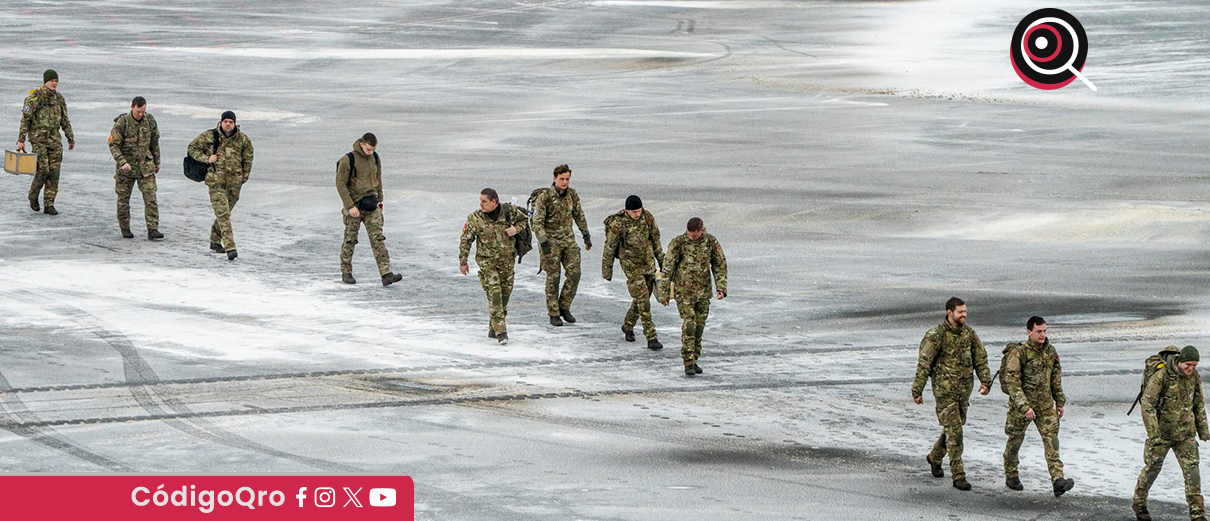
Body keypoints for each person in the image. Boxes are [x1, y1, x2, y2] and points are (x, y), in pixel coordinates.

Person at [911, 297, 992, 491]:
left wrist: (986, 381)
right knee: (955, 431)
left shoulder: (969, 334)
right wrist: (917, 390)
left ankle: (935, 457)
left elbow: (980, 359)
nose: (964, 315)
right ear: (950, 312)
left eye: (965, 311)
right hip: (944, 392)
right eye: (960, 312)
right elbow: (924, 364)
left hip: (964, 392)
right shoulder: (936, 335)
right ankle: (958, 475)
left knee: (952, 429)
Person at [1133, 345, 1209, 521]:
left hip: (1186, 434)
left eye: (1194, 365)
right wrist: (1154, 434)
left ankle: (1197, 514)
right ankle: (1139, 504)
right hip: (1162, 435)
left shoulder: (1194, 377)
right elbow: (1148, 406)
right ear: (1180, 361)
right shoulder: (1162, 376)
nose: (1191, 369)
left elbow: (1198, 403)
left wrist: (1203, 429)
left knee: (1193, 473)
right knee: (1151, 470)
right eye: (1188, 365)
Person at [1001, 316, 1074, 496]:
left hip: (1045, 406)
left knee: (1052, 441)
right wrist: (1024, 407)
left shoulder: (1050, 351)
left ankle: (1058, 480)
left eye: (1045, 331)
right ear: (1029, 332)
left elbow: (1055, 379)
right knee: (1015, 441)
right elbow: (1012, 383)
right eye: (1039, 331)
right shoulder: (1019, 353)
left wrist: (1060, 402)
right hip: (1021, 407)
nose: (1043, 335)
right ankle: (1011, 474)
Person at [659, 217, 727, 376]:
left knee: (699, 327)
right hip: (684, 293)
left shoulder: (711, 242)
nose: (692, 238)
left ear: (702, 230)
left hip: (703, 293)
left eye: (695, 235)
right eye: (690, 235)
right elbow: (667, 268)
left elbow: (719, 265)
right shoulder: (678, 243)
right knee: (689, 325)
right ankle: (688, 361)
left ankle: (695, 359)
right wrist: (664, 293)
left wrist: (721, 287)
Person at [460, 189, 528, 344]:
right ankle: (501, 331)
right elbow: (466, 240)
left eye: (484, 201)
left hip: (507, 261)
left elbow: (524, 220)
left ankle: (493, 325)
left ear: (494, 202)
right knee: (495, 292)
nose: (481, 204)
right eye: (480, 201)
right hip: (487, 261)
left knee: (505, 294)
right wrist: (463, 261)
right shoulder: (475, 218)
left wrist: (516, 229)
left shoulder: (509, 212)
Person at [336, 133, 402, 286]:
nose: (370, 152)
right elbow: (340, 184)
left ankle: (386, 274)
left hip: (371, 205)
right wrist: (350, 206)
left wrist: (380, 200)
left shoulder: (375, 158)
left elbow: (378, 179)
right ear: (361, 144)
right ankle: (346, 272)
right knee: (350, 239)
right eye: (368, 149)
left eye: (373, 149)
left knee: (378, 239)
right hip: (355, 206)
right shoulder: (348, 160)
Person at [187, 111, 253, 260]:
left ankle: (215, 240)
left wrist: (244, 177)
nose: (228, 124)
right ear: (221, 122)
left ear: (235, 124)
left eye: (231, 122)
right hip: (216, 183)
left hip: (234, 184)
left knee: (226, 213)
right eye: (225, 121)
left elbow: (248, 158)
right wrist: (206, 158)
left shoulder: (243, 140)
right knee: (223, 214)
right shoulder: (210, 136)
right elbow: (192, 148)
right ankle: (230, 247)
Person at [602, 195, 664, 350]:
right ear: (627, 211)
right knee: (643, 300)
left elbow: (656, 240)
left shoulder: (647, 217)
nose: (637, 214)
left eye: (639, 211)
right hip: (631, 265)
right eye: (634, 212)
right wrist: (607, 270)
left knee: (642, 298)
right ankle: (651, 337)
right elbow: (609, 247)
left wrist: (663, 263)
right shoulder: (618, 223)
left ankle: (628, 325)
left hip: (648, 263)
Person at [532, 164, 590, 326]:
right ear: (555, 178)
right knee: (554, 277)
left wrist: (586, 235)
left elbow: (579, 215)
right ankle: (553, 313)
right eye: (562, 179)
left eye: (567, 179)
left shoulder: (572, 195)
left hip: (568, 240)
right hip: (550, 242)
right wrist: (544, 243)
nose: (565, 182)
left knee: (575, 274)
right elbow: (537, 223)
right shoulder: (545, 197)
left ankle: (564, 306)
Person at [16, 69, 74, 215]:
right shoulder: (34, 98)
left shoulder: (59, 99)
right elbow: (25, 120)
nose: (54, 83)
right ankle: (33, 195)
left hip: (54, 140)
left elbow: (64, 120)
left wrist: (70, 137)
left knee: (54, 172)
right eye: (51, 80)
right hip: (38, 140)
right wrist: (21, 140)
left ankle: (49, 204)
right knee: (43, 170)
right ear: (45, 81)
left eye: (56, 81)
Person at [107, 96, 162, 240]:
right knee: (123, 200)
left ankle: (153, 229)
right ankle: (125, 227)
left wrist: (157, 161)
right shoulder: (122, 122)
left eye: (143, 112)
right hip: (127, 168)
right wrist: (122, 162)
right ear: (132, 107)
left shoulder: (149, 120)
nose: (141, 114)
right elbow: (113, 145)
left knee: (151, 198)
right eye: (138, 112)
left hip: (145, 167)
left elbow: (154, 142)